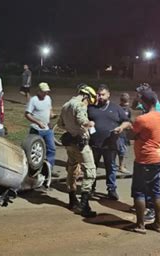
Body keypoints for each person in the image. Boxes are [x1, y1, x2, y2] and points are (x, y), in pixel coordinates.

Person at [128, 90, 160, 234]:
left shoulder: (142, 119)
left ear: (143, 102)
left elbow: (131, 135)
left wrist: (129, 127)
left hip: (145, 159)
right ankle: (158, 224)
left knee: (139, 192)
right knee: (156, 192)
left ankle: (140, 225)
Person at [57, 84, 98, 217]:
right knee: (90, 172)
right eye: (88, 101)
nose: (87, 104)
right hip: (81, 144)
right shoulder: (80, 105)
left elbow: (60, 124)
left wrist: (72, 129)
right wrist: (90, 124)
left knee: (72, 169)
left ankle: (72, 200)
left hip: (70, 144)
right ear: (86, 96)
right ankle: (84, 205)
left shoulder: (66, 104)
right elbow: (82, 121)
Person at [88, 85, 131, 200]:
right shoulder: (91, 107)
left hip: (110, 144)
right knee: (92, 168)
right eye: (98, 94)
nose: (100, 97)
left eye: (103, 94)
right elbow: (82, 120)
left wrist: (121, 128)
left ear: (108, 95)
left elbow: (127, 122)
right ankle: (91, 188)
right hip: (94, 143)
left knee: (110, 168)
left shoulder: (116, 108)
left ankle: (111, 189)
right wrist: (87, 124)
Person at [25, 82, 57, 186]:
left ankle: (49, 170)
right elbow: (27, 114)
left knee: (51, 149)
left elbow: (50, 109)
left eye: (46, 91)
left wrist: (52, 115)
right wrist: (38, 122)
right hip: (36, 129)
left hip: (47, 129)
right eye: (43, 92)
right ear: (38, 91)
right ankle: (32, 172)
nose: (45, 93)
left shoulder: (48, 98)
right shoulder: (33, 100)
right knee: (35, 152)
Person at [117, 93, 131, 174]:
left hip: (125, 133)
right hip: (120, 132)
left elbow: (128, 120)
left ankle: (121, 164)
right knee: (121, 150)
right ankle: (121, 166)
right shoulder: (118, 109)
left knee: (123, 149)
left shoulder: (128, 110)